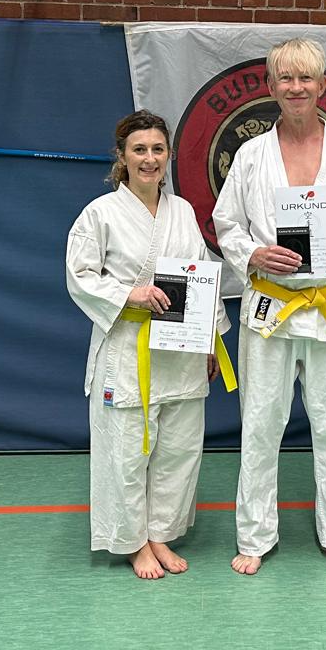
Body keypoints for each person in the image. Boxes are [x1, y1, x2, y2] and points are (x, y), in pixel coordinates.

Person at [212, 38, 326, 575]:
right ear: (271, 87)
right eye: (285, 78)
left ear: (322, 84)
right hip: (270, 304)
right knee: (261, 424)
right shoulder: (251, 155)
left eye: (305, 77)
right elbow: (225, 223)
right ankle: (255, 536)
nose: (296, 87)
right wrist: (252, 254)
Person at [66, 110, 232, 580]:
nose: (149, 158)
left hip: (180, 347)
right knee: (126, 451)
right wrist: (128, 294)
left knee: (178, 450)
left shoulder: (182, 212)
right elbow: (79, 276)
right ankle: (133, 542)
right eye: (139, 149)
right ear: (121, 156)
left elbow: (202, 277)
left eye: (158, 149)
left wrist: (210, 341)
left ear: (169, 155)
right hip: (127, 347)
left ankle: (160, 533)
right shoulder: (100, 213)